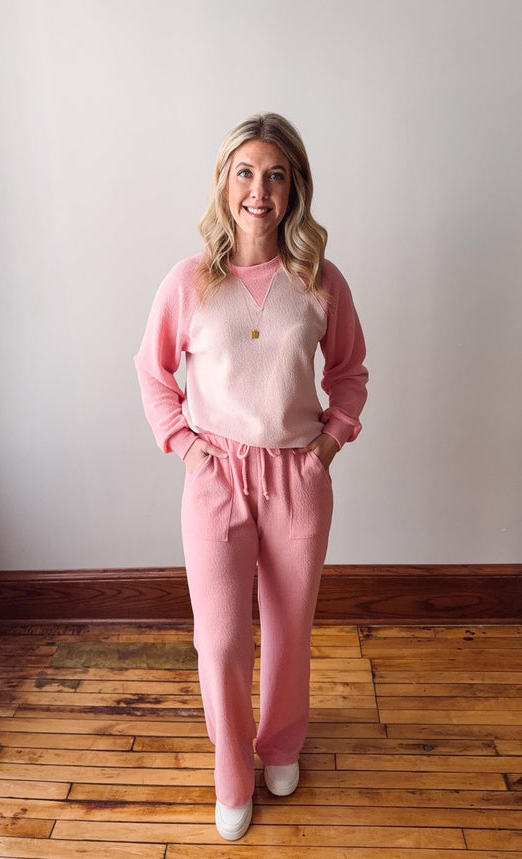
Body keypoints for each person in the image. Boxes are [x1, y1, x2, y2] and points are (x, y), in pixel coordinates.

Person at [134, 113, 368, 841]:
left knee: (290, 628)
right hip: (217, 476)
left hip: (297, 475)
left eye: (274, 173)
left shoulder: (319, 281)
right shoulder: (188, 281)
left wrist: (326, 444)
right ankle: (231, 770)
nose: (258, 189)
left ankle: (281, 745)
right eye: (245, 172)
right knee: (222, 637)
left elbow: (350, 373)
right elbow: (152, 373)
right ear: (224, 182)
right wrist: (187, 446)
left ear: (293, 185)